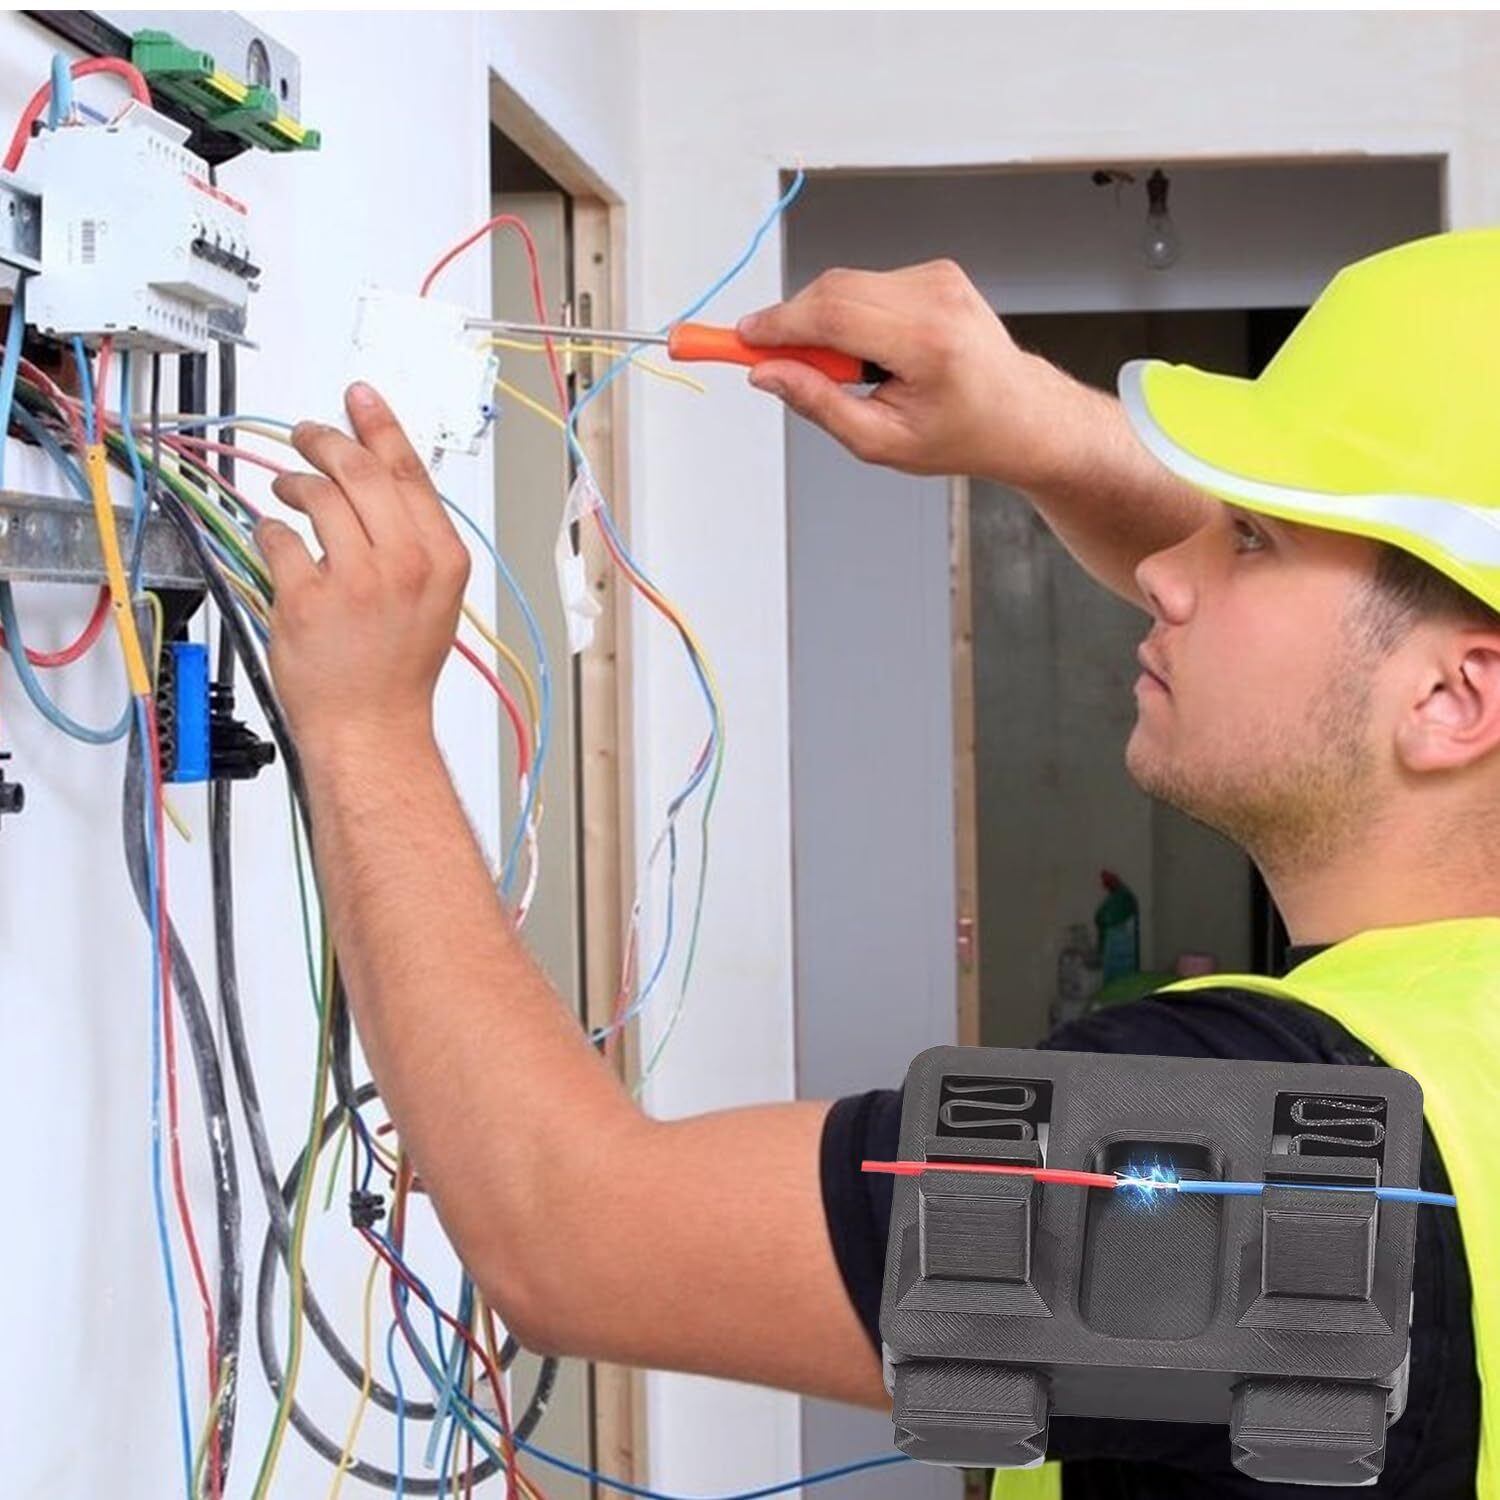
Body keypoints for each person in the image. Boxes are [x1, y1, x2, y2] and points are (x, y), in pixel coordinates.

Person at [255, 229, 1499, 1498]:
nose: (1160, 572)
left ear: (1458, 699)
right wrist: (1035, 425)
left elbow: (566, 1231)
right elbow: (1375, 611)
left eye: (1248, 538)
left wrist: (366, 723)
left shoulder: (1282, 1168)